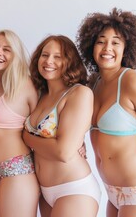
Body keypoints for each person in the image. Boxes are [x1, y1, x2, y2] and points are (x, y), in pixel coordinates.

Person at [77, 8, 136, 217]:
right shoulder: (93, 82)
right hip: (111, 191)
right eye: (101, 41)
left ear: (126, 49)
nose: (107, 48)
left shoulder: (132, 82)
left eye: (116, 42)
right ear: (91, 46)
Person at [23, 35, 101, 217]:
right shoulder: (40, 93)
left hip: (74, 189)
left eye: (57, 57)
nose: (49, 61)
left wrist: (26, 137)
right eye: (44, 55)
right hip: (45, 191)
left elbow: (63, 152)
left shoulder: (79, 93)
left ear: (70, 61)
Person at [0, 30, 39, 217]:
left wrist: (79, 141)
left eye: (7, 49)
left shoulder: (25, 84)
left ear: (15, 55)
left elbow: (49, 118)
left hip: (16, 171)